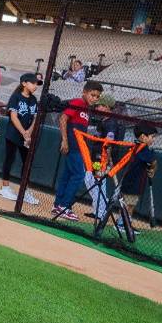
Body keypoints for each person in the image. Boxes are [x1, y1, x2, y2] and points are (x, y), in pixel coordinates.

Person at [52, 80, 104, 220]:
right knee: (78, 175)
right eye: (92, 95)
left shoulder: (87, 109)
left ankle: (58, 205)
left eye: (97, 96)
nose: (95, 98)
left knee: (67, 175)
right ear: (84, 92)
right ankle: (65, 206)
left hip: (78, 146)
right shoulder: (78, 103)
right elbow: (63, 118)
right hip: (72, 145)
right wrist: (64, 140)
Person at [0, 73, 41, 204]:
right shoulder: (16, 97)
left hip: (26, 135)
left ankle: (24, 191)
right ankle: (4, 187)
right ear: (24, 83)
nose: (35, 86)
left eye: (37, 84)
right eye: (33, 83)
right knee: (9, 159)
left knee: (27, 163)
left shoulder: (33, 100)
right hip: (14, 133)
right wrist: (24, 132)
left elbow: (35, 118)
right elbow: (13, 117)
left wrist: (29, 132)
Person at [84, 94, 123, 220]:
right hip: (97, 157)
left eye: (100, 105)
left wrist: (106, 161)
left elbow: (109, 141)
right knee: (92, 181)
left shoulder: (111, 123)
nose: (98, 107)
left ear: (106, 107)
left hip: (102, 158)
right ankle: (98, 210)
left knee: (96, 182)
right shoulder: (104, 120)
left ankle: (101, 211)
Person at [117, 124, 157, 235]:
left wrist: (151, 169)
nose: (153, 139)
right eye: (152, 137)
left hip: (133, 181)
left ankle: (125, 223)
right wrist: (153, 169)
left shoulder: (137, 146)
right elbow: (153, 161)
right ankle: (122, 224)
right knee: (129, 204)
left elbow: (150, 162)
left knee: (130, 204)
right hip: (133, 182)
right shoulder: (142, 148)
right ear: (143, 137)